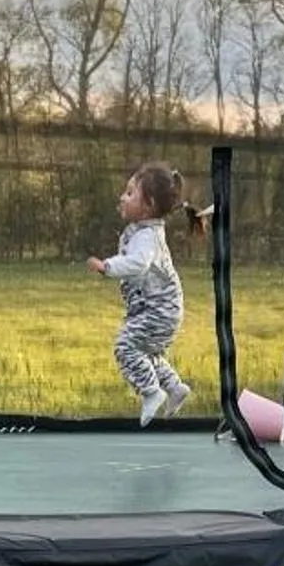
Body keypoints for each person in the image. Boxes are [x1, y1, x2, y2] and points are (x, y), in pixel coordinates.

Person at [87, 162, 207, 425]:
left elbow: (137, 263)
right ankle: (175, 388)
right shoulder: (143, 231)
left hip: (159, 310)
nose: (122, 197)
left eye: (130, 193)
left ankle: (152, 392)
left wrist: (107, 267)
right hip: (159, 309)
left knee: (126, 347)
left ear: (148, 205)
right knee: (147, 353)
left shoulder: (147, 237)